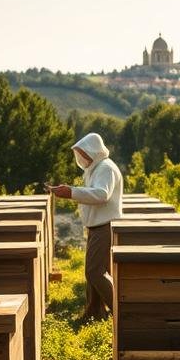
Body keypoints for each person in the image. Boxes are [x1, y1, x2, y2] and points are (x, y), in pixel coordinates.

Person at [48, 132, 123, 320]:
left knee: (95, 271)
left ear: (93, 151)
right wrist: (69, 191)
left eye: (84, 153)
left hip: (105, 225)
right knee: (95, 272)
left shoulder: (105, 168)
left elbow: (101, 194)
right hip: (97, 226)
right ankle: (94, 313)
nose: (81, 158)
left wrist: (71, 192)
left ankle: (121, 314)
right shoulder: (95, 169)